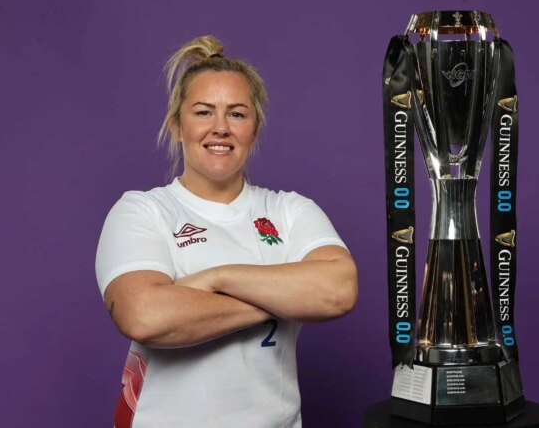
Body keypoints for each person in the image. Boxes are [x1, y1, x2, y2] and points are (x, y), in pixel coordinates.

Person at [95, 35, 357, 428]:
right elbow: (144, 316)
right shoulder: (142, 210)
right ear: (176, 127)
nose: (220, 128)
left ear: (255, 127)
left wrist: (217, 278)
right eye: (203, 112)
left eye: (237, 114)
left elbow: (337, 291)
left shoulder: (289, 210)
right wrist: (286, 297)